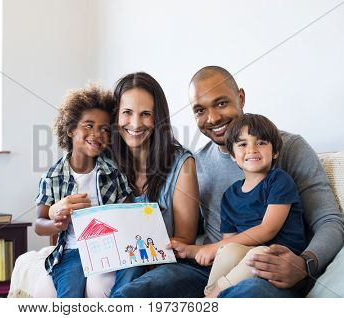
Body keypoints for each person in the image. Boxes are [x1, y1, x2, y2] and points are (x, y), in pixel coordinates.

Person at [182, 66, 343, 297]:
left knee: (249, 292)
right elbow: (195, 232)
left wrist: (304, 264)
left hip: (273, 268)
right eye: (200, 110)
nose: (213, 118)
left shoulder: (288, 151)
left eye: (220, 103)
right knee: (151, 286)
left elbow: (329, 221)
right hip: (216, 263)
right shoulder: (195, 164)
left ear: (240, 98)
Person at [171, 113, 308, 298]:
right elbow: (228, 244)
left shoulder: (279, 180)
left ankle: (213, 297)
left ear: (275, 151)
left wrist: (216, 246)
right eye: (243, 144)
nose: (252, 150)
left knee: (258, 253)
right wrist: (190, 251)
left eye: (261, 143)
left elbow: (268, 229)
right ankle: (210, 294)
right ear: (233, 155)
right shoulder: (230, 196)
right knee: (229, 250)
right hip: (246, 262)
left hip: (280, 261)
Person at [34, 85, 133, 297]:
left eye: (105, 129)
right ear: (71, 129)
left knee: (112, 285)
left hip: (108, 249)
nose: (97, 134)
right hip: (71, 252)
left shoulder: (114, 173)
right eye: (89, 125)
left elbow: (129, 211)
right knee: (69, 292)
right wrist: (56, 224)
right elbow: (38, 224)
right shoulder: (52, 177)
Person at [109, 72, 200, 298]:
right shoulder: (105, 160)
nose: (136, 123)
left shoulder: (182, 163)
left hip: (162, 263)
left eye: (146, 114)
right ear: (115, 116)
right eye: (127, 113)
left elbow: (185, 239)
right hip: (114, 259)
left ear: (158, 118)